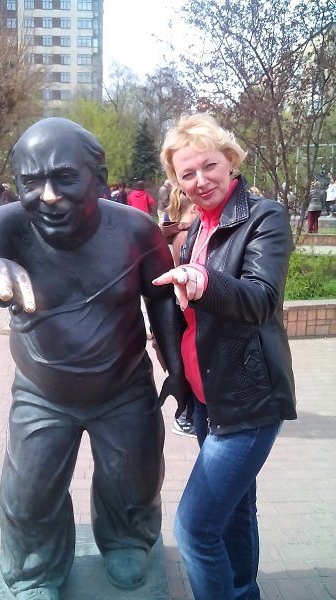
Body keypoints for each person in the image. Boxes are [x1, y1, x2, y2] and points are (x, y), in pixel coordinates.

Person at [0, 117, 189, 600]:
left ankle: (126, 541)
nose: (49, 196)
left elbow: (162, 296)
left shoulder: (136, 231)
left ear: (98, 177)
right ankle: (34, 569)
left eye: (65, 177)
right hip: (42, 394)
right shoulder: (5, 226)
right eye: (31, 182)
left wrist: (176, 367)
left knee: (135, 478)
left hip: (124, 388)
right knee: (29, 492)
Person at [152, 112, 297, 600]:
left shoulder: (264, 217)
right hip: (207, 397)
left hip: (247, 400)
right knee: (235, 513)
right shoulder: (197, 228)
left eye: (209, 166)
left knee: (194, 529)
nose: (200, 180)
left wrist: (202, 281)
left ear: (230, 160)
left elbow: (260, 299)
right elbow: (192, 309)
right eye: (187, 173)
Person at [160, 186, 198, 437]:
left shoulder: (173, 233)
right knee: (189, 364)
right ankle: (185, 416)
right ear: (194, 208)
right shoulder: (186, 236)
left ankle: (186, 414)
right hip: (183, 307)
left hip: (176, 307)